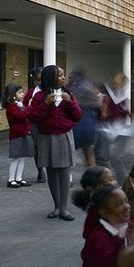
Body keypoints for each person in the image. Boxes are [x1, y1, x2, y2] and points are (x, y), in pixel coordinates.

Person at [30, 64, 82, 221]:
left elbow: (77, 116)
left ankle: (64, 208)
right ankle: (57, 206)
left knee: (64, 171)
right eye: (60, 75)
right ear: (50, 78)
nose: (63, 77)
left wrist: (70, 103)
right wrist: (46, 104)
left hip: (63, 135)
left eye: (63, 75)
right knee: (51, 171)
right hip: (46, 136)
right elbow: (33, 118)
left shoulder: (69, 94)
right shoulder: (39, 97)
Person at [97, 72, 134, 182]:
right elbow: (103, 113)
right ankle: (108, 178)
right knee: (102, 155)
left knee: (116, 156)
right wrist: (103, 110)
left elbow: (125, 113)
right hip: (108, 128)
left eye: (117, 83)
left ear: (123, 85)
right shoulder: (108, 97)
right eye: (113, 83)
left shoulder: (122, 98)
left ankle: (123, 180)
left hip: (123, 130)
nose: (114, 85)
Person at [2, 83, 35, 188]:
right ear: (13, 95)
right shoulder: (11, 107)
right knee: (16, 157)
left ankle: (19, 178)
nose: (22, 94)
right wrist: (29, 107)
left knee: (22, 157)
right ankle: (11, 179)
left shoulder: (20, 105)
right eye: (20, 92)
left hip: (24, 133)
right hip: (16, 134)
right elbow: (21, 116)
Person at [72, 165, 117, 241]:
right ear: (99, 187)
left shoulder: (107, 202)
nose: (115, 182)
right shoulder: (96, 209)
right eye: (111, 179)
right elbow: (88, 233)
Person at [68, 71, 100, 168]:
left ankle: (68, 176)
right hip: (88, 123)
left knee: (70, 150)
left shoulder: (71, 89)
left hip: (76, 123)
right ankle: (92, 172)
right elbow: (98, 102)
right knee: (88, 150)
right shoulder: (89, 87)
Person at [24, 67, 46, 183]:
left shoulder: (55, 90)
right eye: (38, 80)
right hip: (35, 124)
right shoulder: (31, 93)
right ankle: (40, 171)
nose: (40, 82)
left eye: (42, 79)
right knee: (37, 148)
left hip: (49, 123)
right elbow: (25, 108)